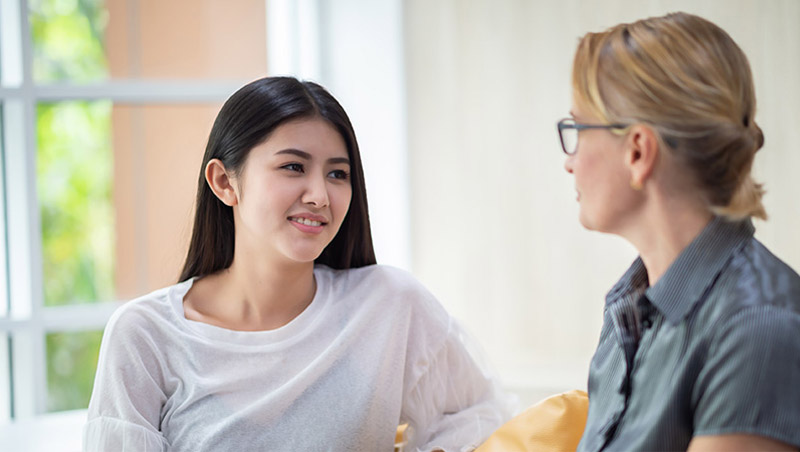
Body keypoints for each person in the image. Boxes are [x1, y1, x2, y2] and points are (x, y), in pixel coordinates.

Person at [84, 76, 511, 452]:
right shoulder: (144, 336)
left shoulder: (390, 306)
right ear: (224, 182)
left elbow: (481, 420)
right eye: (293, 167)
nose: (320, 196)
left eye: (337, 174)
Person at [558, 12, 800, 452]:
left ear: (637, 151)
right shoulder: (628, 310)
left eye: (577, 128)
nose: (568, 161)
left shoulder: (759, 329)